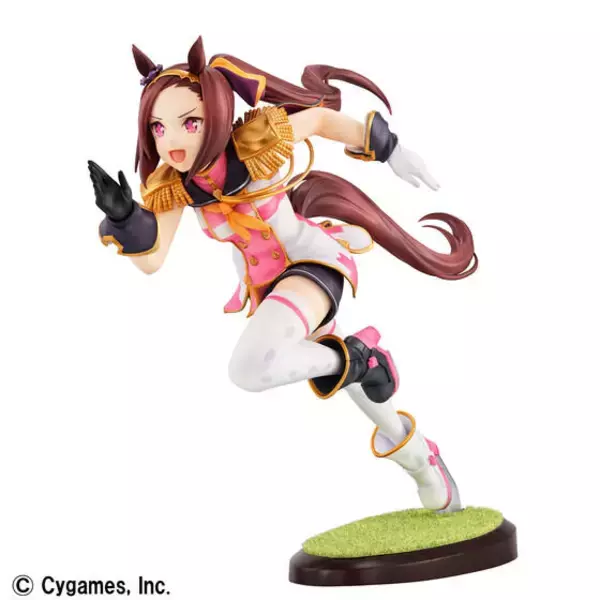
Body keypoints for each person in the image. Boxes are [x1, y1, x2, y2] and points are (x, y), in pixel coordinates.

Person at [88, 35, 477, 512]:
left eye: (189, 122)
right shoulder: (175, 187)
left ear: (214, 112)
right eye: (158, 127)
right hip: (268, 289)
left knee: (250, 368)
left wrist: (390, 149)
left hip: (311, 263)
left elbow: (320, 120)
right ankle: (419, 458)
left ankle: (364, 362)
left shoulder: (256, 139)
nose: (172, 140)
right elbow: (152, 260)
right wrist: (125, 216)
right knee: (344, 372)